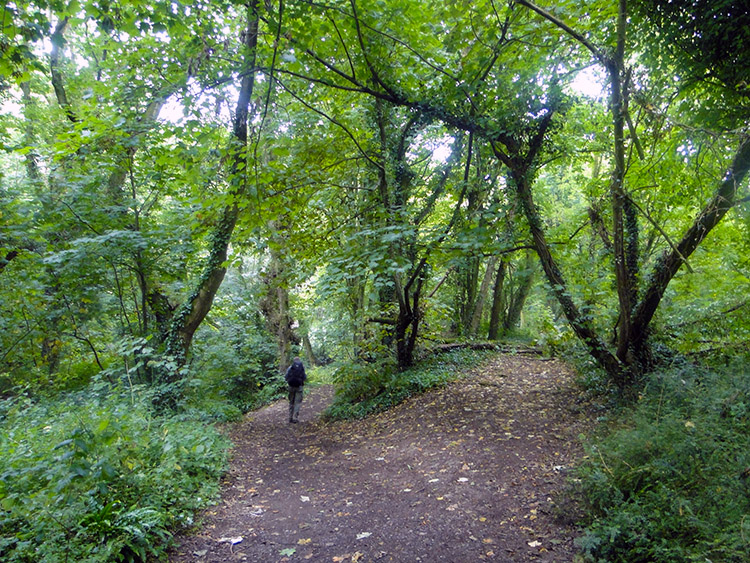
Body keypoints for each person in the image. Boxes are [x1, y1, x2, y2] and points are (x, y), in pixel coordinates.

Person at [284, 356, 306, 423]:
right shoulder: (302, 368)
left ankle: (290, 417)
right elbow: (304, 377)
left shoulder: (290, 368)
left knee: (291, 402)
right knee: (297, 403)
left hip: (291, 387)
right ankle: (295, 418)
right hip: (299, 387)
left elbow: (286, 377)